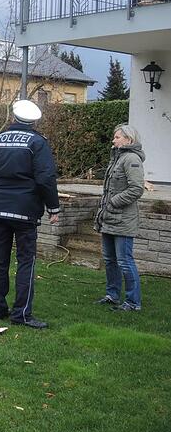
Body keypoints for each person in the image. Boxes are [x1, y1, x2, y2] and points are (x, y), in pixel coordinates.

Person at [0, 99, 60, 329]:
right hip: (24, 210)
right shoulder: (37, 142)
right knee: (26, 261)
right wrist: (53, 207)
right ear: (34, 121)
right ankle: (21, 313)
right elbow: (45, 177)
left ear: (13, 117)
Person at [94, 124, 144, 311]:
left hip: (123, 220)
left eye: (117, 137)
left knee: (124, 261)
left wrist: (114, 201)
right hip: (109, 218)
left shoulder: (131, 158)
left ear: (128, 140)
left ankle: (133, 302)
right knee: (110, 260)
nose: (113, 140)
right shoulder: (117, 158)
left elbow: (136, 189)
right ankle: (112, 295)